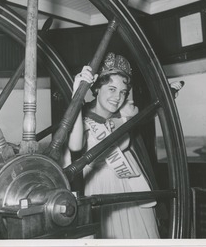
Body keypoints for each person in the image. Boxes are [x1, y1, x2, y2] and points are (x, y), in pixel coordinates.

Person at [68, 52, 160, 239]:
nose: (117, 97)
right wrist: (76, 94)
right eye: (111, 89)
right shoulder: (81, 117)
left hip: (130, 192)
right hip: (99, 190)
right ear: (96, 89)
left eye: (122, 92)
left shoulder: (125, 115)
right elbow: (76, 147)